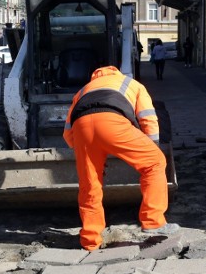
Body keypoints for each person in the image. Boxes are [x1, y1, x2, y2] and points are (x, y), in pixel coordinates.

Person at [63, 65, 179, 250]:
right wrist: (152, 147)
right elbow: (148, 118)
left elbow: (68, 133)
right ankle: (153, 220)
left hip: (81, 129)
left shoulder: (83, 90)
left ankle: (90, 241)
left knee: (90, 184)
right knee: (155, 162)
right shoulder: (132, 84)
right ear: (117, 73)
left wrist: (90, 153)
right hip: (113, 121)